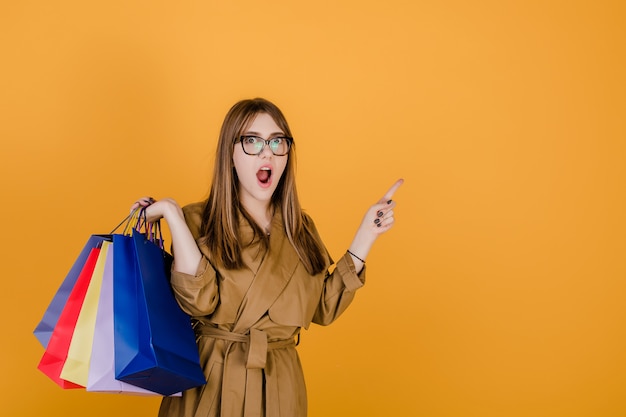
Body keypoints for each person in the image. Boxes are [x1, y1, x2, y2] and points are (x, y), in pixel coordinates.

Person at [132, 97, 403, 417]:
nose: (266, 152)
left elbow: (323, 309)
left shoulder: (301, 228)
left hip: (280, 384)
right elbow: (200, 302)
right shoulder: (198, 220)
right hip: (212, 382)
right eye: (252, 141)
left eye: (277, 142)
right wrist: (173, 215)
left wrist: (367, 234)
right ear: (229, 154)